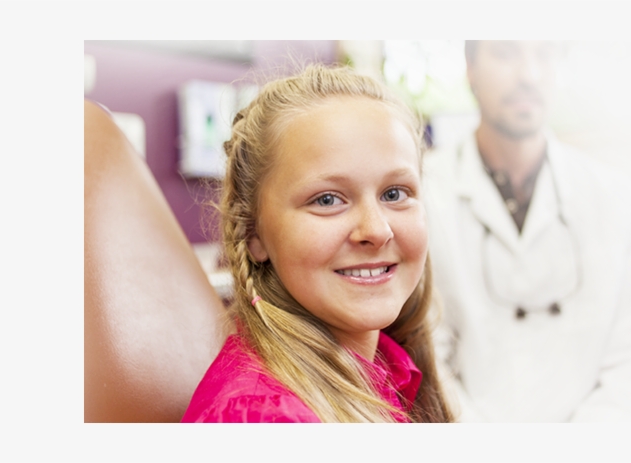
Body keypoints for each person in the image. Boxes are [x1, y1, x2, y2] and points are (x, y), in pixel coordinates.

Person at [182, 65, 454, 423]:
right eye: (327, 200)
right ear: (253, 234)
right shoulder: (264, 418)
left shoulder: (387, 369)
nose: (377, 230)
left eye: (394, 193)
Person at [424, 41, 631, 422]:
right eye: (506, 53)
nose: (530, 74)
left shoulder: (615, 198)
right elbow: (424, 357)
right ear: (470, 67)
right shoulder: (423, 196)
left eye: (544, 54)